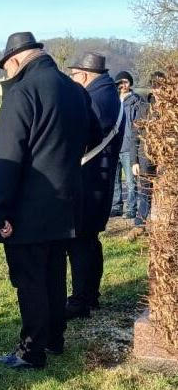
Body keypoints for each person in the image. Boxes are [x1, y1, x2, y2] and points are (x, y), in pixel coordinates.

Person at [0, 32, 91, 369]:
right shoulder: (75, 90)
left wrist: (0, 211)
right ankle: (54, 338)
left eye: (6, 69)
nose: (7, 76)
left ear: (15, 61)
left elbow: (7, 157)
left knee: (30, 279)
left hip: (27, 207)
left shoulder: (22, 92)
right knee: (54, 273)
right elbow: (91, 135)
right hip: (67, 202)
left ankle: (31, 350)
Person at [65, 52, 124, 319]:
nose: (72, 79)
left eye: (74, 74)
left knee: (79, 241)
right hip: (99, 180)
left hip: (88, 181)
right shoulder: (110, 95)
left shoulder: (95, 99)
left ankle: (81, 300)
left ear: (85, 75)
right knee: (89, 241)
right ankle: (90, 295)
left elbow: (84, 138)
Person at [129, 71, 164, 235]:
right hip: (145, 158)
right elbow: (135, 135)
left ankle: (163, 227)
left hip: (165, 159)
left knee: (165, 193)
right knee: (144, 192)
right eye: (156, 86)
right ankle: (140, 225)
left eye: (162, 86)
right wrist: (134, 161)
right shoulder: (144, 106)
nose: (159, 89)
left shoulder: (172, 107)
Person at [111, 71, 144, 218]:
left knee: (131, 181)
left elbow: (138, 125)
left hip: (128, 146)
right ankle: (116, 206)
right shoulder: (112, 100)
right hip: (114, 145)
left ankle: (131, 208)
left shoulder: (136, 101)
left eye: (125, 82)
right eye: (120, 82)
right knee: (115, 180)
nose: (123, 85)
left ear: (130, 83)